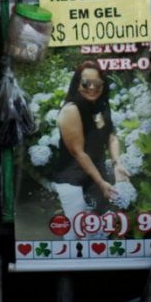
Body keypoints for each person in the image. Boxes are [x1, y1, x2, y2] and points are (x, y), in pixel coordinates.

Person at [49, 61, 129, 235]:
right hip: (73, 181)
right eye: (86, 83)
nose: (92, 88)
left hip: (96, 178)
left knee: (98, 233)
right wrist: (101, 183)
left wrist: (117, 163)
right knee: (77, 235)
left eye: (97, 83)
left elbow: (111, 136)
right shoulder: (71, 110)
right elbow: (78, 152)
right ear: (77, 84)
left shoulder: (100, 106)